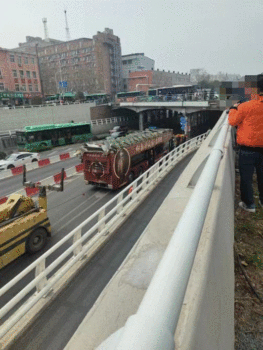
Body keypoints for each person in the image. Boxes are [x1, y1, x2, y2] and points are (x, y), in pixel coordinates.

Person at [228, 74, 263, 213]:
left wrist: (232, 109)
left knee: (246, 178)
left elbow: (232, 122)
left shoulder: (246, 106)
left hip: (247, 149)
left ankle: (249, 205)